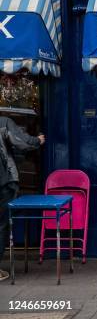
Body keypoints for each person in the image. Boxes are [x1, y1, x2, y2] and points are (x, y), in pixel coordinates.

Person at [0, 116, 45, 281]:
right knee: (1, 224)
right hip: (3, 181)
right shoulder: (3, 122)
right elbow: (20, 141)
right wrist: (37, 140)